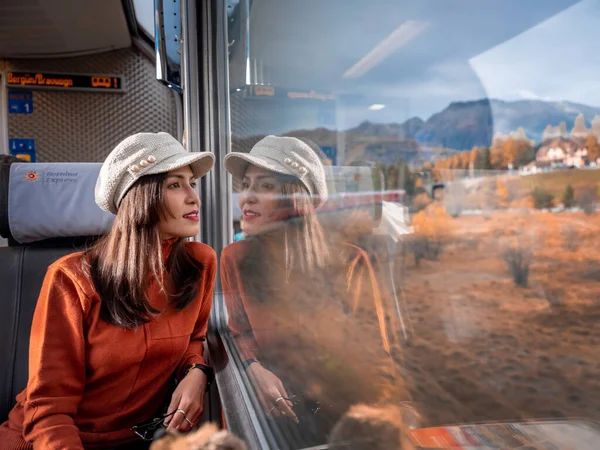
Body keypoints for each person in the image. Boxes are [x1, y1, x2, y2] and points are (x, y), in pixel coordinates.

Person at [0, 132, 217, 450]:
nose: (193, 197)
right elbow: (48, 409)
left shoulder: (200, 263)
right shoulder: (71, 277)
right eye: (174, 185)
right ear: (140, 198)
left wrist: (197, 372)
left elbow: (193, 340)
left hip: (141, 439)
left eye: (192, 183)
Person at [220, 136, 403, 448]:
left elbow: (376, 352)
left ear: (296, 199)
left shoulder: (350, 261)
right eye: (245, 184)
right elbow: (238, 333)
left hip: (345, 415)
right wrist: (253, 367)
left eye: (264, 187)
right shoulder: (236, 258)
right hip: (278, 418)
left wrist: (391, 414)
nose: (245, 198)